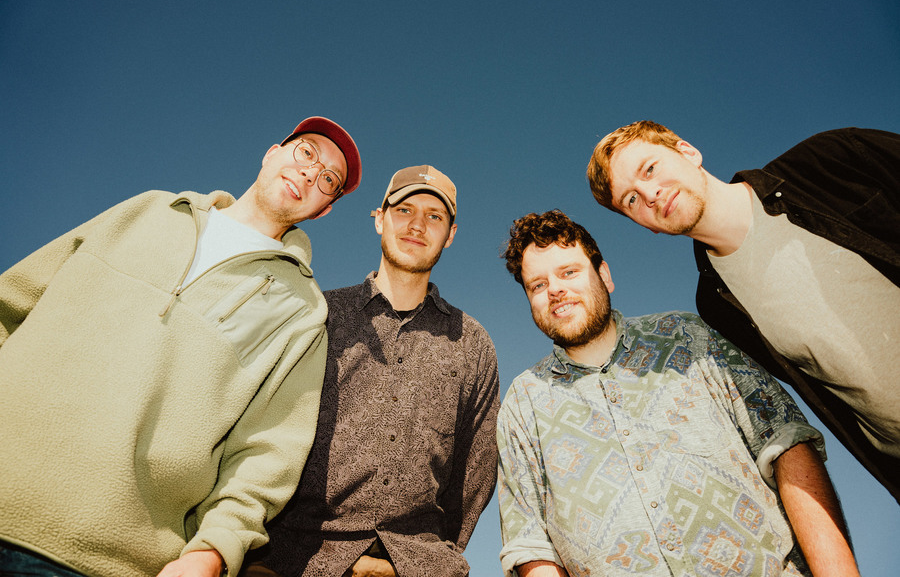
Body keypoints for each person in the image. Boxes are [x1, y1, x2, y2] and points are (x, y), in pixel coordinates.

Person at [0, 116, 362, 577]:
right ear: (272, 152)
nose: (311, 172)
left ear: (323, 209)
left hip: (103, 557)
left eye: (329, 179)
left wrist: (211, 552)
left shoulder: (302, 311)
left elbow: (268, 452)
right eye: (306, 152)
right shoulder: (149, 211)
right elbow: (11, 304)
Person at [497, 209, 859, 577]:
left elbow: (785, 442)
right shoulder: (524, 402)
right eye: (537, 285)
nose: (554, 290)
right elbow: (530, 543)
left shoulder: (687, 335)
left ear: (604, 275)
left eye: (568, 272)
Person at [586, 121, 900, 502]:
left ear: (688, 152)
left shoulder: (827, 161)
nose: (650, 194)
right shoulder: (716, 306)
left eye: (650, 169)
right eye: (631, 200)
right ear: (643, 225)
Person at [244, 166, 500, 577]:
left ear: (450, 235)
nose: (417, 225)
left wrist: (420, 561)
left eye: (434, 216)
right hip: (297, 557)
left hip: (417, 565)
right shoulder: (319, 315)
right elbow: (265, 431)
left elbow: (474, 475)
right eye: (404, 210)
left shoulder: (472, 343)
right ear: (380, 218)